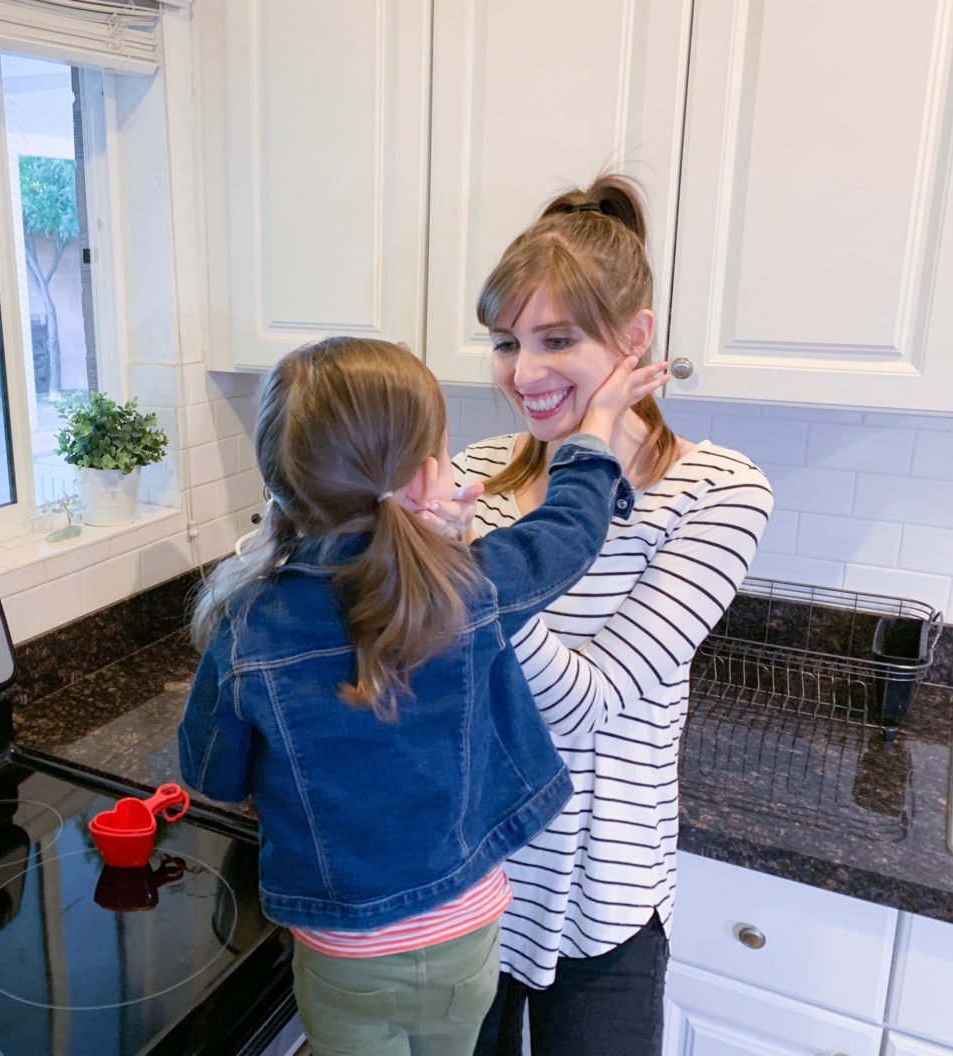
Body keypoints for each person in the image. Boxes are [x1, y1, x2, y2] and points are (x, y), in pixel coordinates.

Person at [178, 335, 667, 1056]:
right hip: (467, 941)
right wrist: (595, 430)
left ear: (278, 474)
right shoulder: (470, 585)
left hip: (343, 950)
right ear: (424, 472)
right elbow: (569, 531)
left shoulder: (246, 624)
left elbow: (209, 773)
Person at [459, 175, 773, 1056]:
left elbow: (586, 706)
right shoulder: (477, 472)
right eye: (505, 342)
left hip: (605, 896)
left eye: (557, 339)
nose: (523, 374)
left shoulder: (719, 492)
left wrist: (477, 576)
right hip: (466, 875)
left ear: (635, 340)